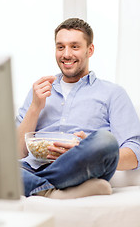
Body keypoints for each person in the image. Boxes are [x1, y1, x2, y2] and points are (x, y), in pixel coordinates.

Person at [16, 18, 140, 198]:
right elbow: (17, 152)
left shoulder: (113, 93)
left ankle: (38, 187)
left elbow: (135, 154)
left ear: (90, 50)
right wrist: (35, 107)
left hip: (81, 168)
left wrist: (85, 147)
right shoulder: (38, 91)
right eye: (60, 47)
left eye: (75, 47)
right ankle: (51, 191)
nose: (66, 54)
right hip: (31, 167)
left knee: (105, 140)